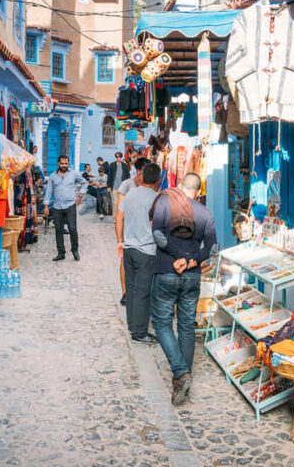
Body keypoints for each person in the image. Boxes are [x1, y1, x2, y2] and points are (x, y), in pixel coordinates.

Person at [150, 173, 218, 405]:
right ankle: (184, 377)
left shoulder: (164, 202)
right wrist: (192, 259)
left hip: (167, 271)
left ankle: (181, 373)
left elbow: (157, 234)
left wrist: (179, 256)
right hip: (191, 276)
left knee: (161, 323)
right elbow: (213, 247)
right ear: (198, 192)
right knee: (187, 325)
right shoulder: (205, 213)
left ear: (180, 186)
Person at [115, 163, 161, 344]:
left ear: (142, 177)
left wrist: (120, 240)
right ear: (158, 179)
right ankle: (140, 332)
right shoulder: (157, 198)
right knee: (143, 292)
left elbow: (119, 217)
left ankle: (133, 325)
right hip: (146, 250)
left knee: (132, 289)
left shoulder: (131, 193)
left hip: (129, 248)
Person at [115, 157, 150, 305]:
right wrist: (119, 239)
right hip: (129, 230)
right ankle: (125, 292)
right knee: (125, 261)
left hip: (144, 229)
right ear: (140, 171)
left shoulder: (150, 185)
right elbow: (120, 213)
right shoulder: (127, 185)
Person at [43, 155, 88, 262]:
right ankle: (61, 253)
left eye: (66, 163)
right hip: (57, 207)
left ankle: (75, 250)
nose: (64, 165)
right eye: (62, 163)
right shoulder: (53, 176)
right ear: (58, 164)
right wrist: (46, 206)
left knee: (72, 228)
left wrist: (80, 196)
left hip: (70, 205)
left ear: (68, 164)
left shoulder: (73, 174)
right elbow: (49, 191)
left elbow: (85, 182)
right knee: (58, 230)